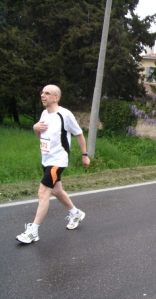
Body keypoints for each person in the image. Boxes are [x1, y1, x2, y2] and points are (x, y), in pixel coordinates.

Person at [16, 84, 90, 244]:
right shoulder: (44, 113)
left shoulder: (65, 115)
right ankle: (75, 213)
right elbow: (40, 134)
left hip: (58, 161)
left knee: (43, 193)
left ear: (56, 97)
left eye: (47, 93)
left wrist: (85, 155)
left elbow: (79, 134)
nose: (43, 95)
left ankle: (33, 231)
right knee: (57, 191)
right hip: (46, 160)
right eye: (42, 92)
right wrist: (35, 128)